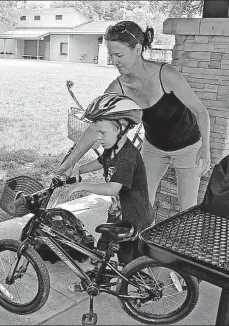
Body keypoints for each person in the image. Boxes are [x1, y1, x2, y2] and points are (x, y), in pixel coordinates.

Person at [56, 20, 211, 213]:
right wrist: (71, 161)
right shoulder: (118, 88)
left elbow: (200, 111)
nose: (114, 61)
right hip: (154, 147)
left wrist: (205, 147)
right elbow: (96, 127)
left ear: (137, 49)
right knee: (139, 203)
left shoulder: (166, 75)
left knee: (187, 208)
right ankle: (141, 240)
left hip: (188, 147)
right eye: (111, 55)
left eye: (119, 55)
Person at [66, 93, 154, 291]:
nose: (98, 138)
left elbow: (113, 187)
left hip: (134, 218)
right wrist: (81, 169)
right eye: (97, 132)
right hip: (118, 214)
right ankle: (98, 281)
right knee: (102, 250)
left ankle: (145, 289)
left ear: (121, 127)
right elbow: (101, 161)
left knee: (128, 260)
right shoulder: (113, 148)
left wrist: (83, 186)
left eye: (102, 133)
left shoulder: (127, 158)